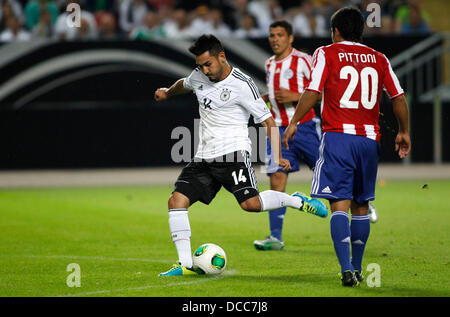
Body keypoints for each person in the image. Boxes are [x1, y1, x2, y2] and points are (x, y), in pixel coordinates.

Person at [154, 34, 328, 276]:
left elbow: (268, 121)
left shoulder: (242, 85)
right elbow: (184, 83)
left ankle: (296, 200)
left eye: (208, 64)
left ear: (221, 57)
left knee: (251, 205)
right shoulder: (198, 76)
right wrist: (166, 92)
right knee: (176, 201)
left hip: (233, 154)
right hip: (204, 157)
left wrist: (277, 156)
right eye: (200, 65)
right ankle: (184, 265)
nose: (204, 70)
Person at [283, 6, 410, 287]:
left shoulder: (326, 53)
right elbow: (398, 98)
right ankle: (358, 266)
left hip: (338, 137)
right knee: (361, 205)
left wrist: (293, 122)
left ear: (336, 31)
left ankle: (345, 270)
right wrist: (403, 131)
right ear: (361, 31)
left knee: (338, 203)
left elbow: (314, 91)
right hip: (369, 141)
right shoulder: (379, 58)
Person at [253, 20, 322, 251]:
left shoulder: (303, 59)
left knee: (329, 172)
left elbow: (321, 92)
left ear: (290, 38)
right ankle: (275, 237)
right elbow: (275, 94)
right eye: (272, 35)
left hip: (304, 127)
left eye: (280, 35)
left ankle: (362, 206)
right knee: (276, 179)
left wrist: (295, 95)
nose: (275, 39)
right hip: (278, 129)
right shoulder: (269, 63)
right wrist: (265, 99)